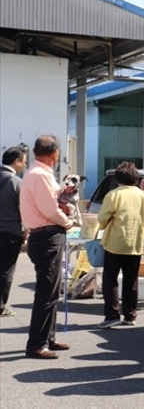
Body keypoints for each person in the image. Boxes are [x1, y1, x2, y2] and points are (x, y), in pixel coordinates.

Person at [19, 135, 74, 359]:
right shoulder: (40, 175)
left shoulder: (35, 173)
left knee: (50, 291)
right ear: (55, 155)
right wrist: (69, 221)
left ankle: (47, 338)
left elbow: (50, 205)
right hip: (47, 235)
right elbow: (50, 210)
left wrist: (62, 196)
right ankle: (37, 344)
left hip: (44, 235)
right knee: (46, 292)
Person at [96, 162, 144, 329]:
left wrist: (103, 225)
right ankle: (130, 315)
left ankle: (112, 315)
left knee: (111, 280)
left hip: (114, 243)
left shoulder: (113, 195)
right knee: (131, 281)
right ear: (135, 178)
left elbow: (102, 220)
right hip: (135, 243)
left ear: (118, 179)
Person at [0, 146, 28, 317]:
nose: (24, 165)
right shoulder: (16, 182)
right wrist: (26, 231)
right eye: (24, 162)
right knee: (6, 270)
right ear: (16, 161)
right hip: (10, 232)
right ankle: (1, 306)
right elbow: (24, 210)